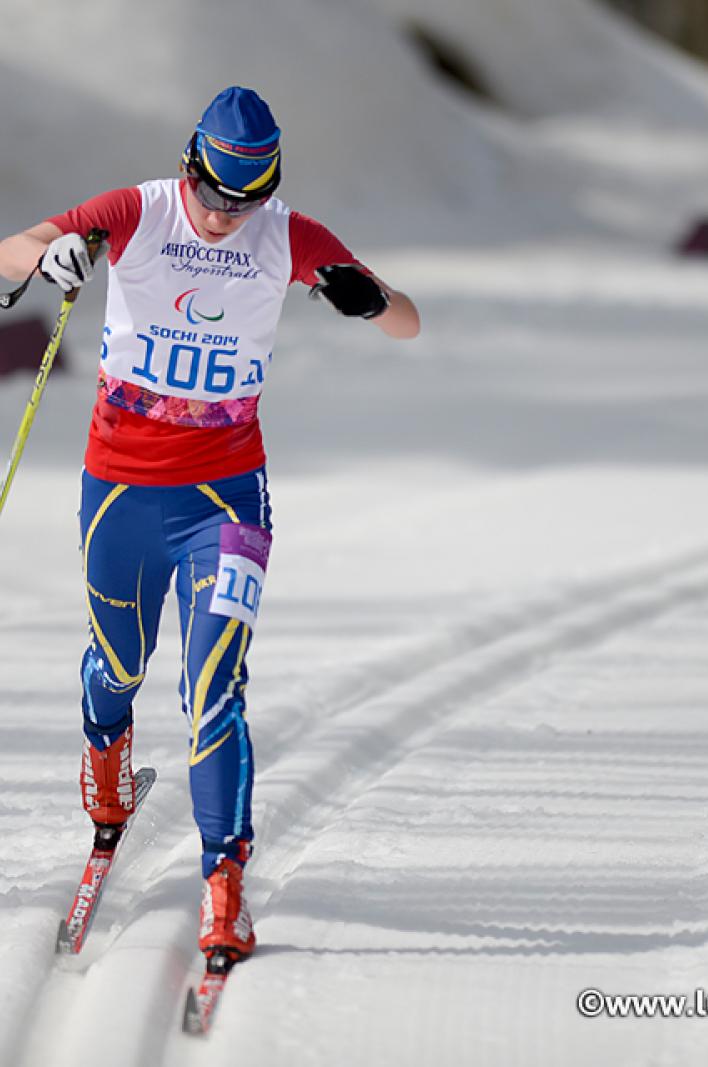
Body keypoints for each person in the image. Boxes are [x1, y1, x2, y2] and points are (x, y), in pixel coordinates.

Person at [0, 86, 420, 963]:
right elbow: (15, 251)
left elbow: (405, 321)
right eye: (218, 195)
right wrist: (55, 256)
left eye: (249, 199)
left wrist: (365, 297)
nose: (229, 217)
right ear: (191, 168)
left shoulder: (288, 234)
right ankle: (106, 771)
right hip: (119, 488)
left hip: (226, 499)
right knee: (117, 665)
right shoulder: (139, 209)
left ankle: (224, 884)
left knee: (215, 691)